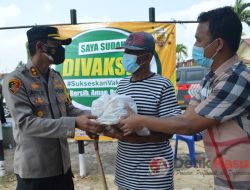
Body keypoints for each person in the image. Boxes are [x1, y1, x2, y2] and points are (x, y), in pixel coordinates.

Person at [120, 7, 250, 190]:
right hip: (225, 170)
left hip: (243, 174)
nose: (195, 45)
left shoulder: (237, 78)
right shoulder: (210, 77)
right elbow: (186, 117)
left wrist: (139, 120)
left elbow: (188, 125)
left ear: (218, 44)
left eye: (198, 40)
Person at [3, 26, 101, 190]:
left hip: (63, 168)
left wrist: (97, 117)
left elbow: (69, 109)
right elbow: (26, 123)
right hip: (35, 172)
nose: (61, 49)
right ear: (40, 46)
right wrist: (75, 123)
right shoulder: (15, 81)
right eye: (56, 44)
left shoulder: (56, 77)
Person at [106, 32, 181, 190]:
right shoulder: (122, 84)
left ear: (146, 58)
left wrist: (139, 139)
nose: (125, 56)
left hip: (153, 175)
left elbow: (170, 130)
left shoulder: (163, 85)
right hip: (125, 171)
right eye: (125, 52)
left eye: (131, 53)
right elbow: (119, 119)